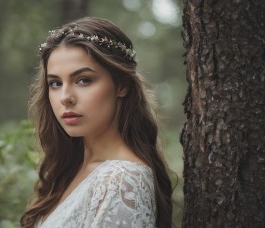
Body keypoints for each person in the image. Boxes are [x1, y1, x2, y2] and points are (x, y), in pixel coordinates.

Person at [21, 17, 173, 228]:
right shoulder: (69, 168)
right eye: (55, 83)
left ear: (122, 85)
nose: (65, 97)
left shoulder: (123, 181)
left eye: (83, 80)